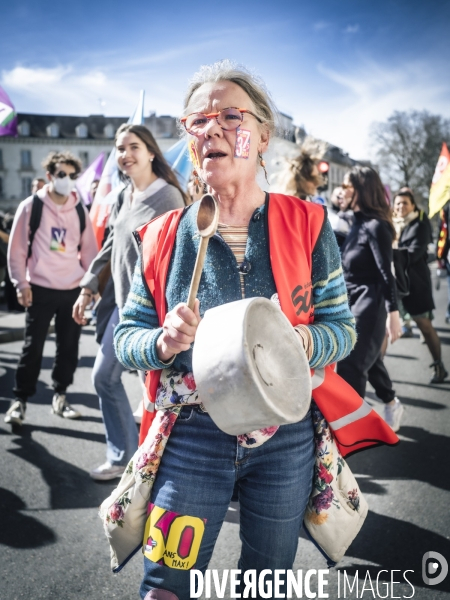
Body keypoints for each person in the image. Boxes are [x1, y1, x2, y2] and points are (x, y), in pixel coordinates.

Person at [112, 60, 367, 600]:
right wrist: (161, 341)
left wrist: (301, 342)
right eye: (198, 121)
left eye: (231, 115)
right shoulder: (161, 235)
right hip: (192, 438)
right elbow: (126, 337)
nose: (212, 130)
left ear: (264, 136)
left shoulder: (308, 223)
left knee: (265, 585)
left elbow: (342, 328)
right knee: (164, 588)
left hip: (285, 438)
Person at [72, 124, 186, 481]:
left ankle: (157, 466)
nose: (125, 154)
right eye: (119, 148)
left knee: (152, 391)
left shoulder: (168, 197)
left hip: (153, 312)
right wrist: (88, 285)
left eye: (133, 146)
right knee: (117, 382)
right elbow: (111, 246)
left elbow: (178, 258)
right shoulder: (123, 195)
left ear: (151, 151)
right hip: (120, 305)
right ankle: (128, 459)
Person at [4, 152, 98, 426]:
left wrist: (89, 289)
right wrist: (21, 283)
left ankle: (60, 396)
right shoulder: (31, 206)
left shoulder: (81, 209)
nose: (66, 180)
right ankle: (19, 400)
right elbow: (17, 249)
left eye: (71, 175)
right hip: (39, 288)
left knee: (68, 348)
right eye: (61, 175)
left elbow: (90, 253)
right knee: (32, 347)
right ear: (49, 176)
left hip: (71, 289)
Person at [336, 166, 404, 432]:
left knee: (352, 363)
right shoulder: (356, 222)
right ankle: (391, 402)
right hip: (350, 299)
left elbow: (388, 274)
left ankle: (350, 432)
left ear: (361, 190)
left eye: (347, 186)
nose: (342, 191)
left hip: (370, 302)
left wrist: (393, 315)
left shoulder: (377, 227)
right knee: (368, 357)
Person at [393, 189, 448, 383]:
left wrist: (390, 252)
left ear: (413, 206)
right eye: (398, 204)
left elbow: (414, 254)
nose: (401, 207)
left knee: (424, 325)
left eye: (405, 203)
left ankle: (439, 365)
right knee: (384, 330)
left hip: (416, 284)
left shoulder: (420, 225)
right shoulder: (391, 225)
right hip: (394, 286)